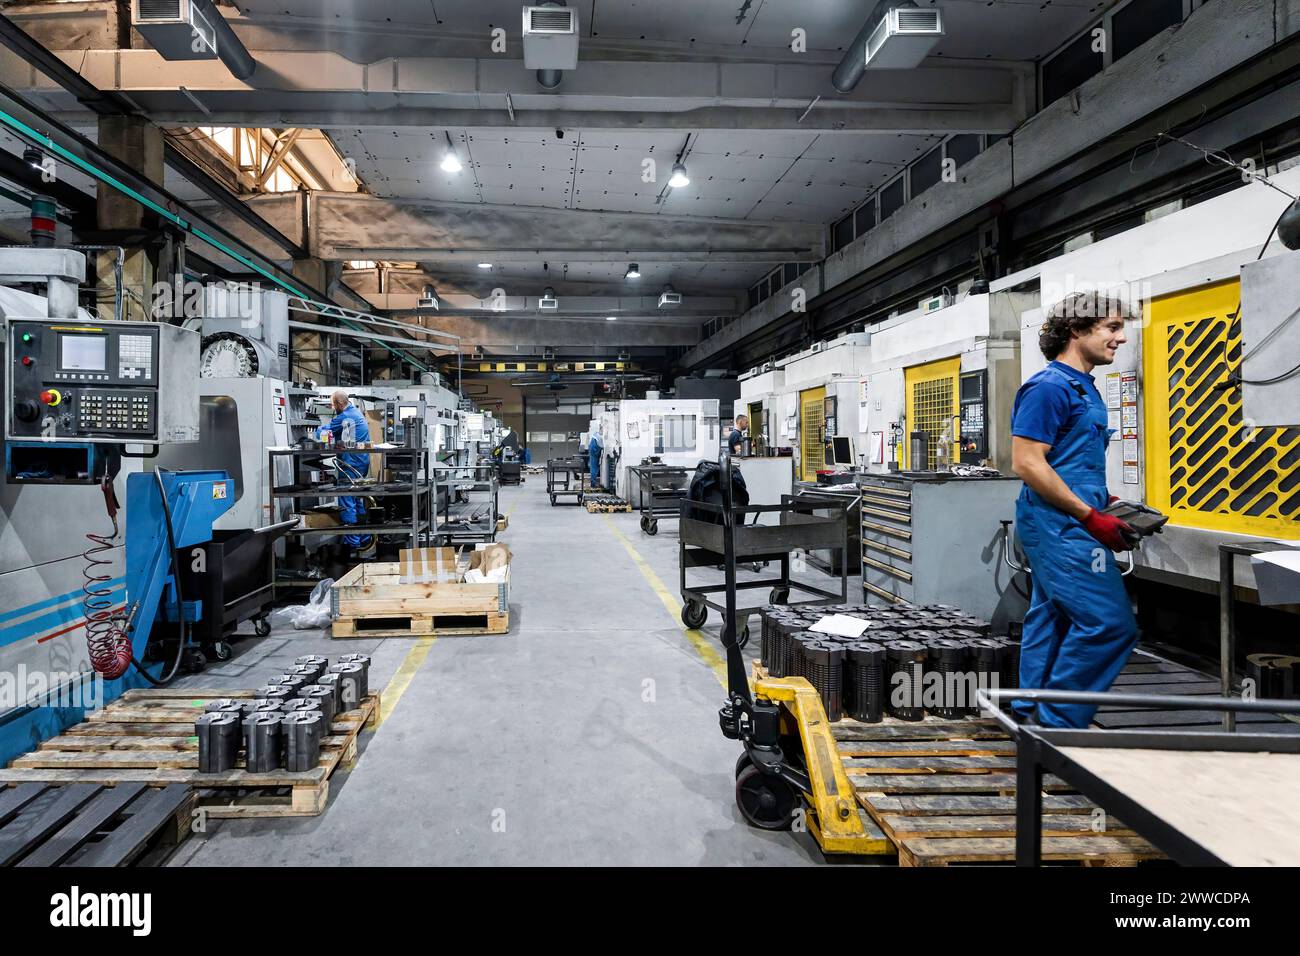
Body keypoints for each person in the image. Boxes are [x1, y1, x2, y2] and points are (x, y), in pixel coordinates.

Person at [1010, 292, 1137, 728]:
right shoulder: (1048, 388)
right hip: (1059, 526)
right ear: (1077, 330)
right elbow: (1027, 462)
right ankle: (1059, 725)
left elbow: (1069, 463)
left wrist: (1106, 503)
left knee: (1052, 617)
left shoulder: (1085, 388)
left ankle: (1029, 718)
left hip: (1072, 518)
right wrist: (1088, 515)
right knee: (1109, 625)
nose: (1121, 338)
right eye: (1112, 328)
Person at [319, 390, 373, 553]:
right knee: (357, 500)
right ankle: (364, 539)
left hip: (350, 464)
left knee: (347, 501)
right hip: (361, 462)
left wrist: (318, 430)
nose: (332, 407)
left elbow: (325, 430)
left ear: (340, 404)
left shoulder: (344, 417)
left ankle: (352, 545)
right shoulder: (356, 413)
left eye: (333, 404)